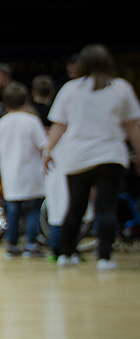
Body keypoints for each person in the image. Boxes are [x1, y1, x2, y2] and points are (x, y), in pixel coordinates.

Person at [46, 44, 140, 270]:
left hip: (77, 157)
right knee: (106, 208)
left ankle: (66, 255)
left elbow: (58, 126)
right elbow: (132, 127)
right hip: (111, 156)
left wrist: (47, 152)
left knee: (75, 207)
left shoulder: (70, 89)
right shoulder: (121, 88)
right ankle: (105, 258)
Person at [0, 83, 47, 257]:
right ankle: (31, 244)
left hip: (10, 173)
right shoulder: (32, 121)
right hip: (31, 173)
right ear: (25, 100)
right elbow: (43, 145)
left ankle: (12, 243)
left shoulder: (2, 123)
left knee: (13, 210)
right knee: (33, 210)